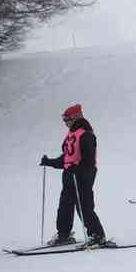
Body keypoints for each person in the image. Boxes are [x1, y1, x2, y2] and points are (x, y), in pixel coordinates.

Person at [40, 103, 107, 247]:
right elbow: (67, 158)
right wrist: (49, 162)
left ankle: (97, 235)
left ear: (76, 118)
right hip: (70, 174)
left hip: (84, 175)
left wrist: (77, 169)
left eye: (67, 119)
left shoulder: (86, 134)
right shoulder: (72, 134)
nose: (65, 123)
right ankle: (64, 234)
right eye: (64, 120)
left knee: (83, 206)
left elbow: (89, 160)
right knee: (65, 205)